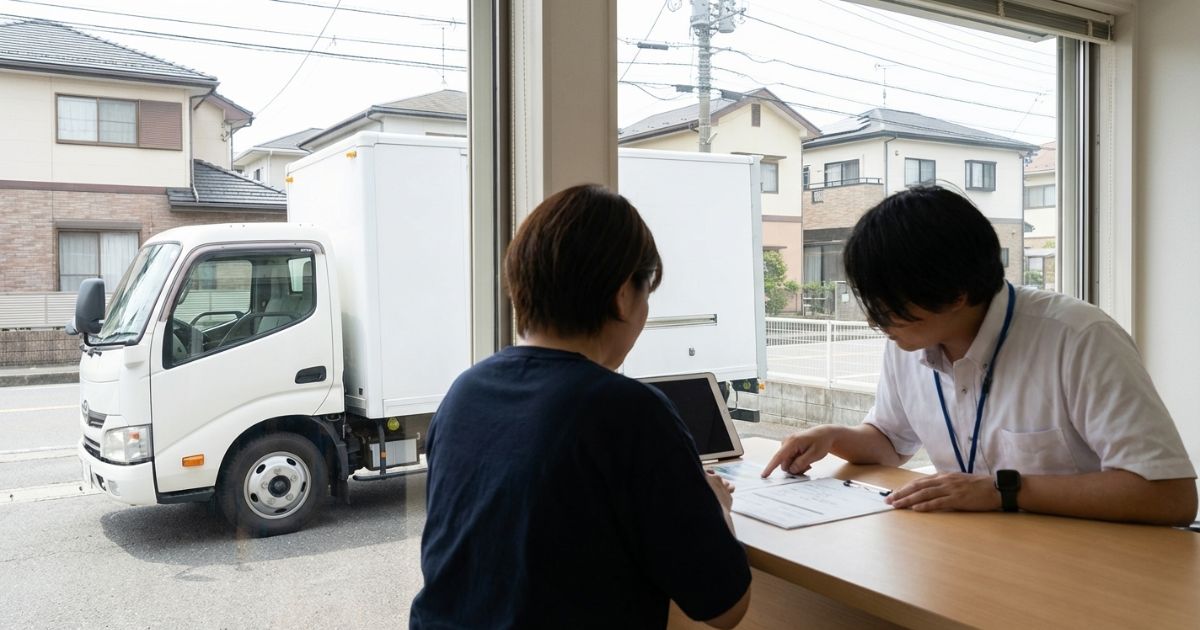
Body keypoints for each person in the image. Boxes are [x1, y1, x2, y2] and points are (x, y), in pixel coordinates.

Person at [411, 184, 751, 629]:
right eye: (646, 291)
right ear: (622, 296)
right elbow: (724, 607)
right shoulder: (628, 412)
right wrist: (715, 504)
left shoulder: (465, 392)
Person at [763, 185, 1197, 526]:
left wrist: (1000, 491)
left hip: (1095, 561)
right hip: (977, 551)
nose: (877, 323)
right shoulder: (909, 341)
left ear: (956, 294)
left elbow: (1169, 495)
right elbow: (889, 443)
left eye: (889, 308)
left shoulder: (1078, 338)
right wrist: (831, 436)